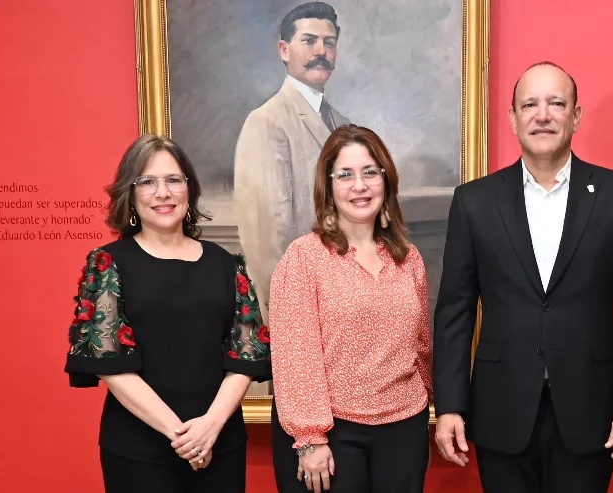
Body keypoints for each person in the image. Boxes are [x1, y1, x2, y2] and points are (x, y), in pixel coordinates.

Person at [433, 61, 613, 493]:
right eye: (530, 104)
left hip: (592, 408)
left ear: (575, 115)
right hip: (501, 408)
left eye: (557, 103)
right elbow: (455, 312)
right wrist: (450, 405)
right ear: (513, 118)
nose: (543, 114)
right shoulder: (474, 201)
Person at [64, 134, 272, 492]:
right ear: (130, 194)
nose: (163, 192)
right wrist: (183, 436)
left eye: (174, 180)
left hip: (220, 442)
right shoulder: (108, 263)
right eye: (148, 182)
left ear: (188, 190)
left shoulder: (226, 264)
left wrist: (209, 428)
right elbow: (112, 365)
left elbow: (246, 355)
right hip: (139, 452)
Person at [268, 124, 433, 493]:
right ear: (329, 186)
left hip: (405, 429)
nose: (359, 186)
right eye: (345, 175)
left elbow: (421, 345)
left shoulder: (409, 259)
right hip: (333, 436)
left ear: (386, 181)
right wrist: (311, 438)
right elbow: (296, 357)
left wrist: (433, 403)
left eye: (370, 173)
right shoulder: (304, 258)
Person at [233, 1, 352, 321]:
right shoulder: (267, 123)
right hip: (301, 310)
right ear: (284, 50)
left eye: (329, 43)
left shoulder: (344, 126)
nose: (321, 51)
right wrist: (289, 320)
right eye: (309, 40)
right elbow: (266, 239)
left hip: (349, 304)